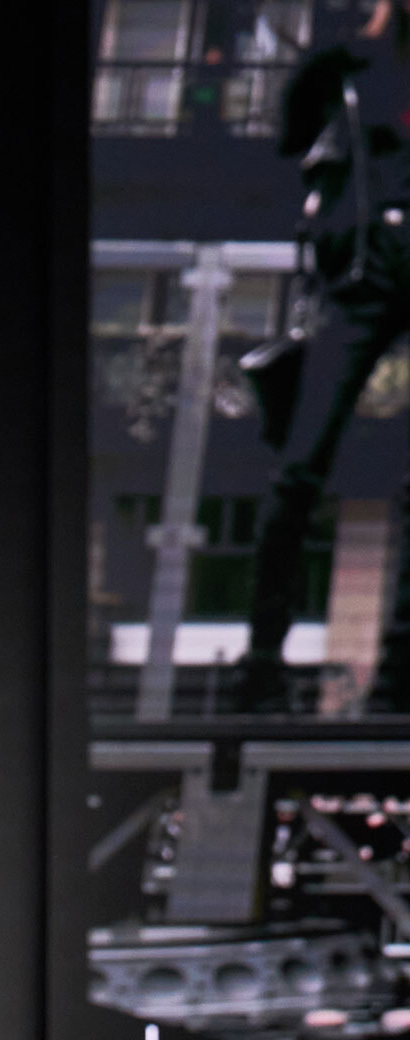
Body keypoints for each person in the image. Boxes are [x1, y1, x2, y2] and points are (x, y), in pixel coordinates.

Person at [236, 0, 410, 712]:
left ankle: (398, 672)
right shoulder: (348, 66)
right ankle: (261, 665)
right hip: (361, 277)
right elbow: (291, 135)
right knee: (300, 472)